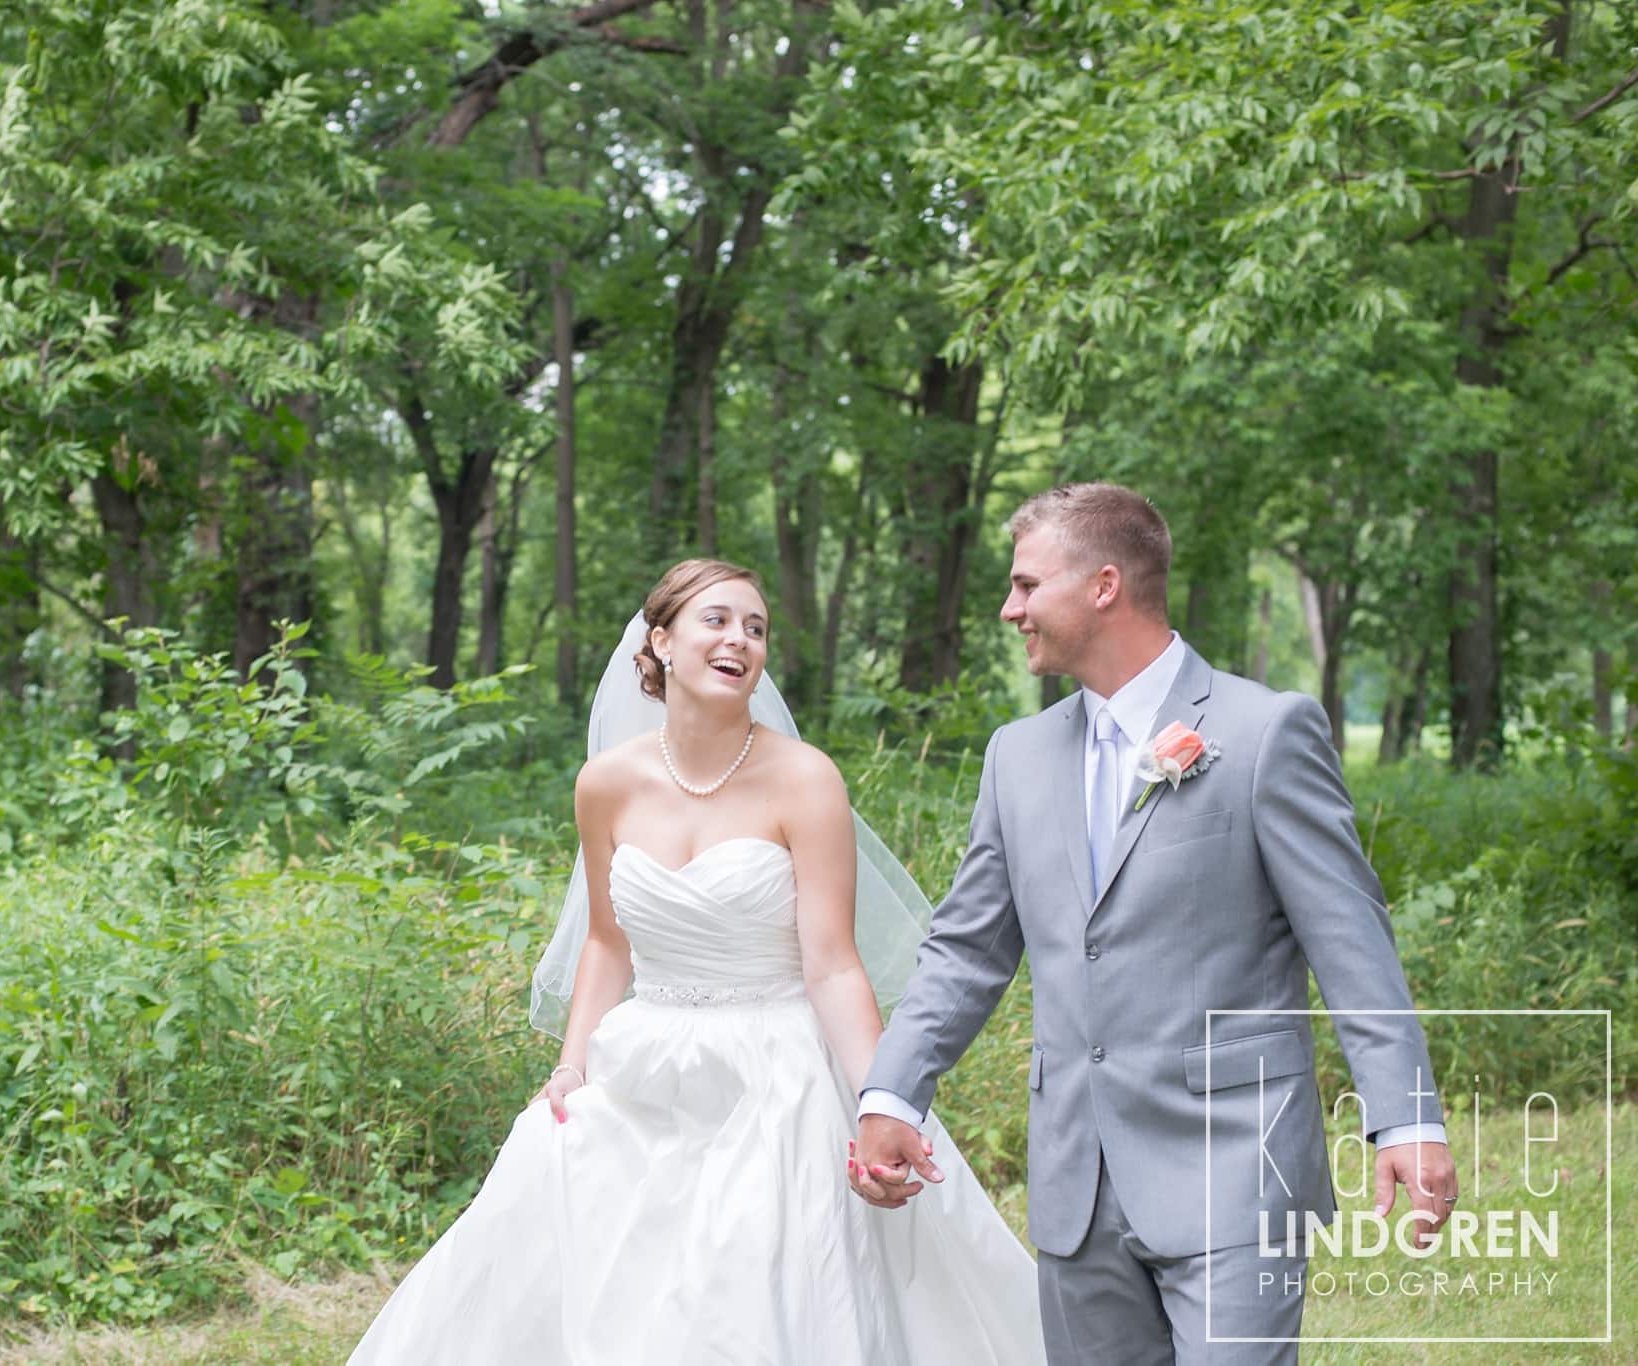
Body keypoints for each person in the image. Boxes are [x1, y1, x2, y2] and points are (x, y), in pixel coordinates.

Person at [349, 559, 1046, 1363]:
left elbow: (832, 965)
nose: (739, 640)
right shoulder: (605, 784)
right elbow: (610, 943)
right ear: (661, 641)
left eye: (755, 628)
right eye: (716, 620)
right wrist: (572, 1067)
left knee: (756, 1291)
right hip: (645, 1065)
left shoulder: (805, 778)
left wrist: (877, 1101)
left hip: (776, 1073)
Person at [849, 484, 1459, 1365]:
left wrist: (1406, 1119)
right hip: (1076, 1183)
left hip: (1236, 1168)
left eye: (1025, 585)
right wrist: (892, 1093)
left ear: (1103, 586)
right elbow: (967, 950)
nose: (1007, 608)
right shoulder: (1015, 757)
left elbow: (1350, 939)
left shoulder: (1262, 733)